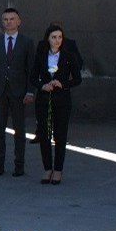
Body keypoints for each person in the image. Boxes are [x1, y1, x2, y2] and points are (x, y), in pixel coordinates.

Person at [29, 24, 82, 185]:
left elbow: (77, 79)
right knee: (44, 135)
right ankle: (47, 169)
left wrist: (63, 83)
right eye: (54, 37)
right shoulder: (41, 56)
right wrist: (42, 86)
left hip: (62, 101)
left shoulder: (69, 56)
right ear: (48, 38)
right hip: (44, 100)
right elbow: (33, 77)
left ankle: (58, 170)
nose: (57, 40)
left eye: (60, 37)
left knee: (60, 135)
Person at [0, 7, 35, 177]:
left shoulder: (27, 42)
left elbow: (30, 69)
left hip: (19, 92)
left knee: (19, 130)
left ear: (19, 21)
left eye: (12, 19)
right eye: (6, 19)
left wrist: (30, 91)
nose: (9, 22)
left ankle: (19, 165)